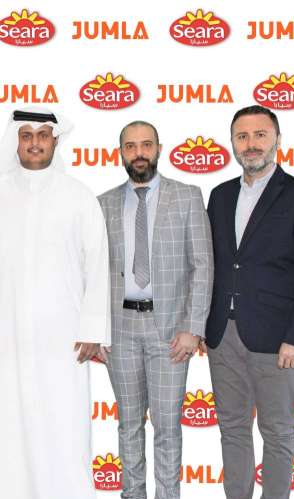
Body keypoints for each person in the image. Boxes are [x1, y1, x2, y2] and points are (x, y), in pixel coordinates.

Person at [0, 108, 110, 499]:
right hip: (9, 335)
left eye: (42, 135)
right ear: (15, 141)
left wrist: (93, 329)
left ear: (55, 141)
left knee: (64, 425)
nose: (34, 143)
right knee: (11, 425)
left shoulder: (78, 196)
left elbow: (97, 264)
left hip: (65, 338)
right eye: (26, 135)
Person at [205, 105, 294, 499]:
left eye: (260, 135)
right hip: (222, 336)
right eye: (242, 136)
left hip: (278, 340)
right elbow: (214, 264)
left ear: (277, 140)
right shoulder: (220, 196)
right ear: (232, 143)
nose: (251, 144)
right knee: (232, 429)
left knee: (277, 432)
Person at [97, 121, 213, 499]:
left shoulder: (188, 196)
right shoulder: (103, 204)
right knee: (128, 424)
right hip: (120, 329)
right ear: (121, 153)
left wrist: (193, 327)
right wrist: (97, 329)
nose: (139, 153)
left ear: (159, 149)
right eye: (130, 146)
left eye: (146, 145)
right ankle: (132, 494)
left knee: (167, 427)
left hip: (171, 332)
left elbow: (202, 264)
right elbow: (93, 273)